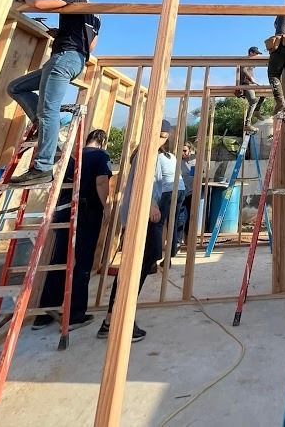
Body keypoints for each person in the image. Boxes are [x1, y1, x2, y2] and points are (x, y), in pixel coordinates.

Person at [8, 0, 101, 186]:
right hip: (77, 62)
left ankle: (43, 167)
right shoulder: (96, 15)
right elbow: (91, 45)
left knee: (48, 111)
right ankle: (45, 131)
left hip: (63, 59)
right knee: (16, 88)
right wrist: (61, 33)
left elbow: (40, 4)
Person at [97, 122, 171, 343]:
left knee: (144, 261)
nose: (163, 139)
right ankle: (119, 318)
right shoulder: (145, 154)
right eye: (161, 134)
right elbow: (142, 181)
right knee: (134, 267)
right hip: (140, 215)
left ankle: (112, 318)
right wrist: (151, 204)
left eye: (165, 136)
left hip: (140, 214)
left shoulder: (149, 153)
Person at [32, 129, 112, 331]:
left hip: (64, 211)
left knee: (59, 260)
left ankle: (44, 314)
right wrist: (107, 207)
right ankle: (75, 315)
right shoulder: (100, 156)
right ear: (102, 142)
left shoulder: (72, 156)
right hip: (86, 213)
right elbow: (101, 181)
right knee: (82, 262)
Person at [156, 122, 185, 264]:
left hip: (168, 191)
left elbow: (156, 178)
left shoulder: (157, 157)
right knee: (172, 222)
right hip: (180, 189)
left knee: (158, 224)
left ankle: (154, 257)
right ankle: (170, 256)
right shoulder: (172, 156)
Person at [238, 46, 265, 125]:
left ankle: (256, 111)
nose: (257, 56)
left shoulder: (251, 61)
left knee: (263, 93)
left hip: (251, 84)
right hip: (246, 84)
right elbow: (243, 69)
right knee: (253, 101)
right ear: (251, 53)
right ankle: (247, 123)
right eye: (256, 54)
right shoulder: (246, 60)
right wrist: (251, 78)